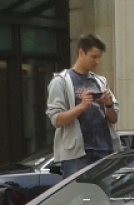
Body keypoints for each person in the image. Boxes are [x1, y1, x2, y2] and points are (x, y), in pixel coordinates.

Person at [46, 34, 122, 176]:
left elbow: (114, 118)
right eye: (93, 57)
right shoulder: (61, 81)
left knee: (102, 196)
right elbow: (56, 119)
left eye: (99, 57)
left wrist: (108, 105)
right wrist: (81, 107)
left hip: (104, 150)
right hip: (77, 154)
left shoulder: (100, 81)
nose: (97, 61)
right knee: (77, 196)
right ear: (81, 53)